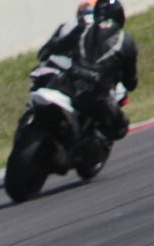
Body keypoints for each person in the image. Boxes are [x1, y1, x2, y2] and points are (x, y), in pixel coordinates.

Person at [38, 0, 138, 141]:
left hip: (70, 83)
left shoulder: (83, 28)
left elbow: (54, 47)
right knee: (121, 126)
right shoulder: (126, 41)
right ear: (120, 15)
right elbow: (130, 82)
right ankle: (87, 155)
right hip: (96, 94)